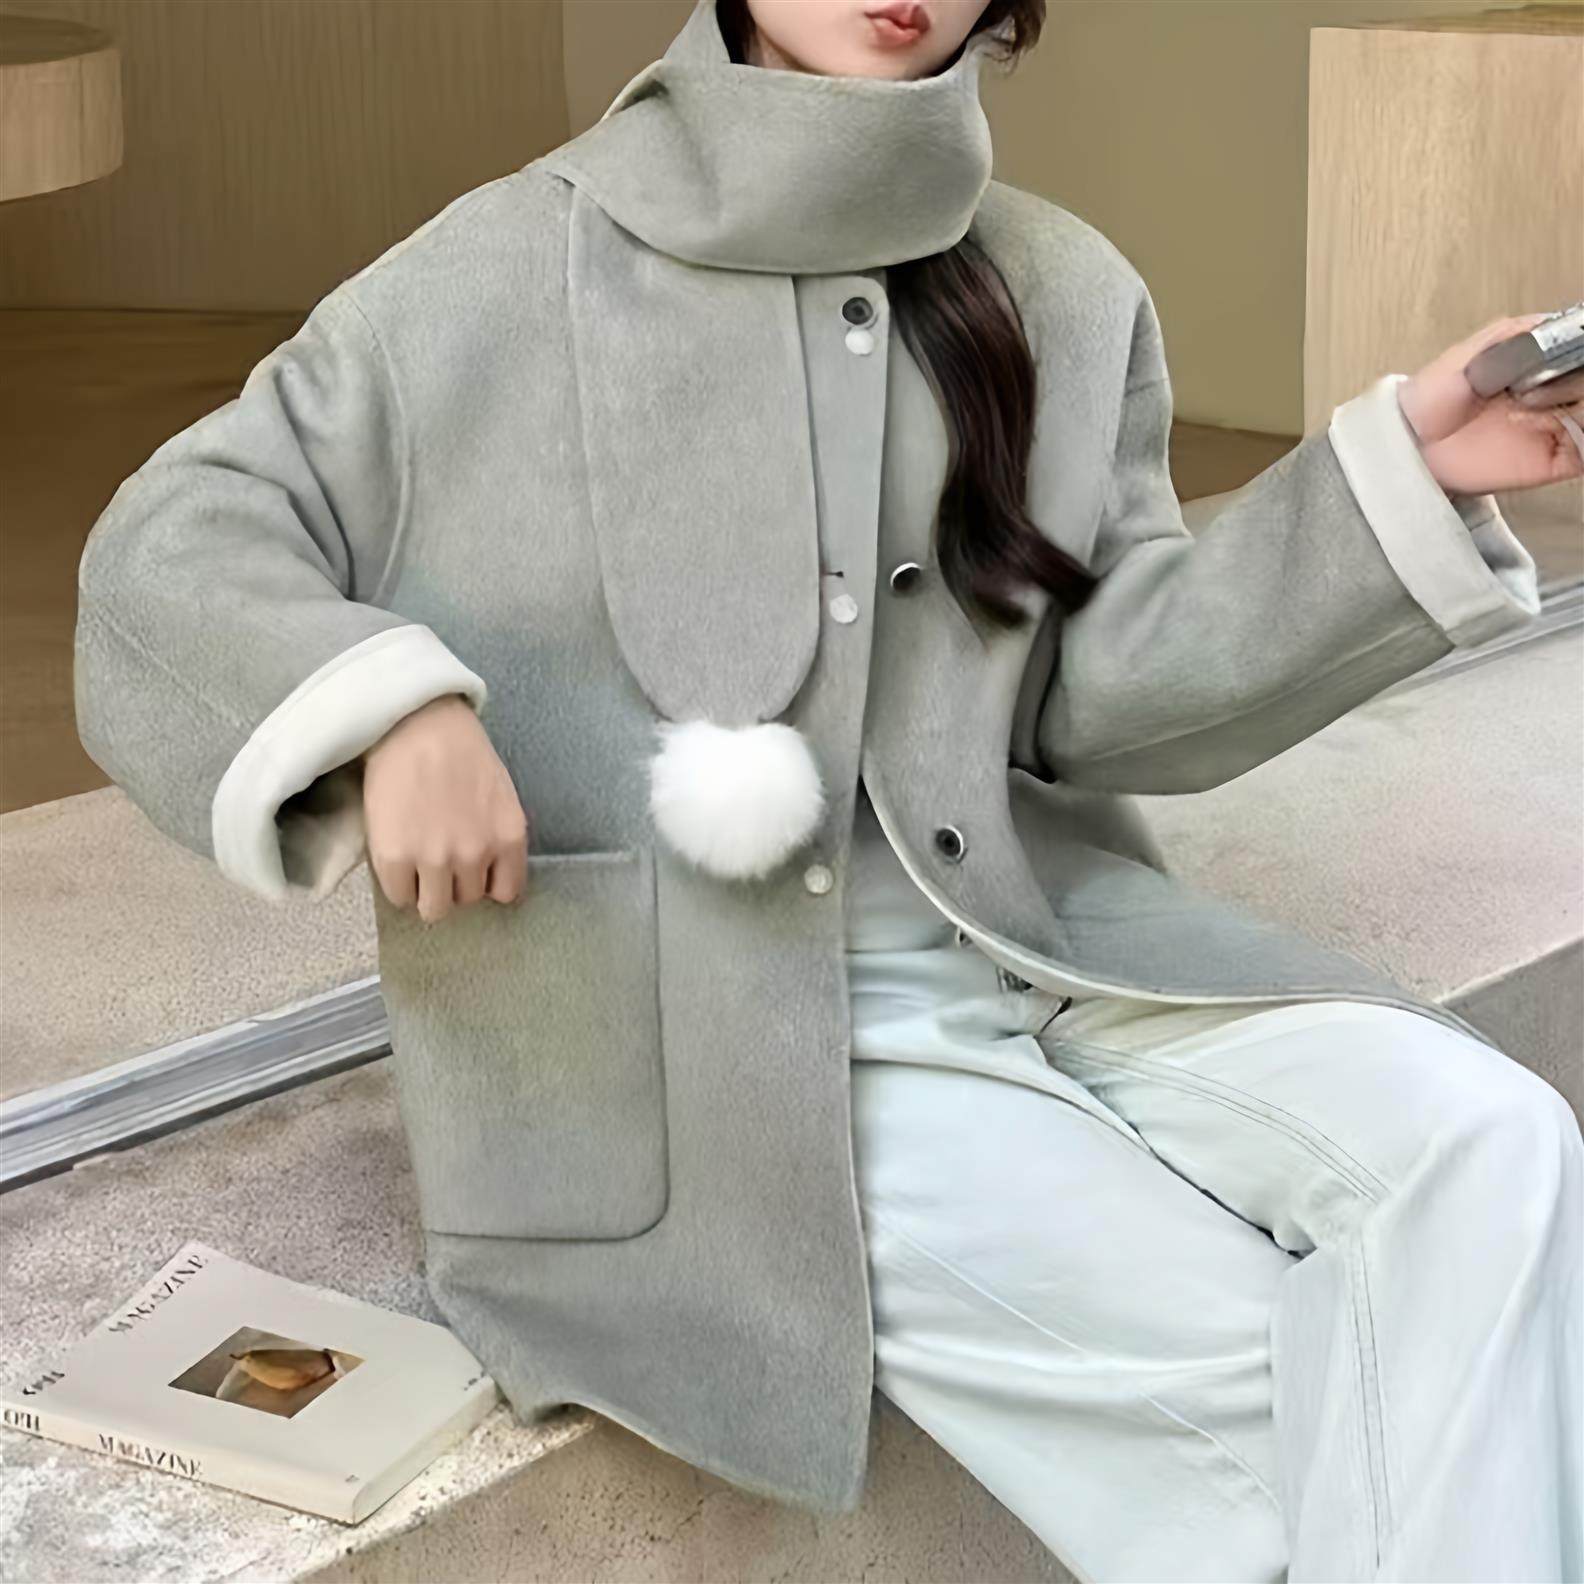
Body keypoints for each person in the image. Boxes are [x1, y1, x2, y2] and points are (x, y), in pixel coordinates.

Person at [73, 1, 1582, 1578]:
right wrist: (392, 712)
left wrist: (1402, 478)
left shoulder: (1062, 288)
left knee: (1499, 1149)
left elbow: (1100, 695)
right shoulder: (496, 275)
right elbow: (168, 547)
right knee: (1326, 1388)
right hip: (722, 1039)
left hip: (1046, 944)